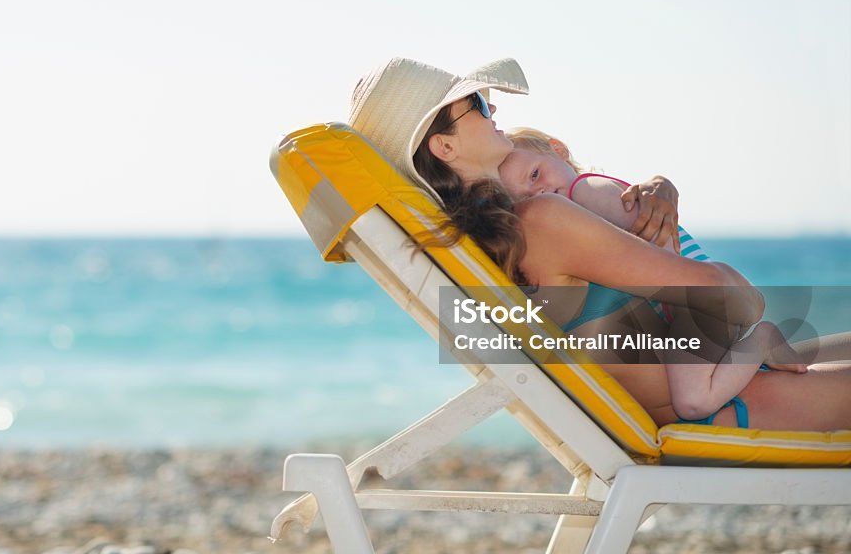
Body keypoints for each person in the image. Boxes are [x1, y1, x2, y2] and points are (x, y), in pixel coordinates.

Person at [348, 56, 851, 431]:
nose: (493, 106)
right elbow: (729, 295)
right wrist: (669, 232)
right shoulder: (541, 218)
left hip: (720, 382)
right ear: (445, 146)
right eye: (477, 104)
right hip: (727, 408)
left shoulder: (495, 240)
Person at [497, 126, 811, 424]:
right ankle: (756, 352)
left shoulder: (585, 190)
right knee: (697, 390)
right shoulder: (578, 205)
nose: (538, 192)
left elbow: (648, 233)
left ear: (558, 150)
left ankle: (762, 340)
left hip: (699, 306)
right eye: (525, 196)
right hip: (693, 307)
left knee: (693, 402)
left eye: (535, 174)